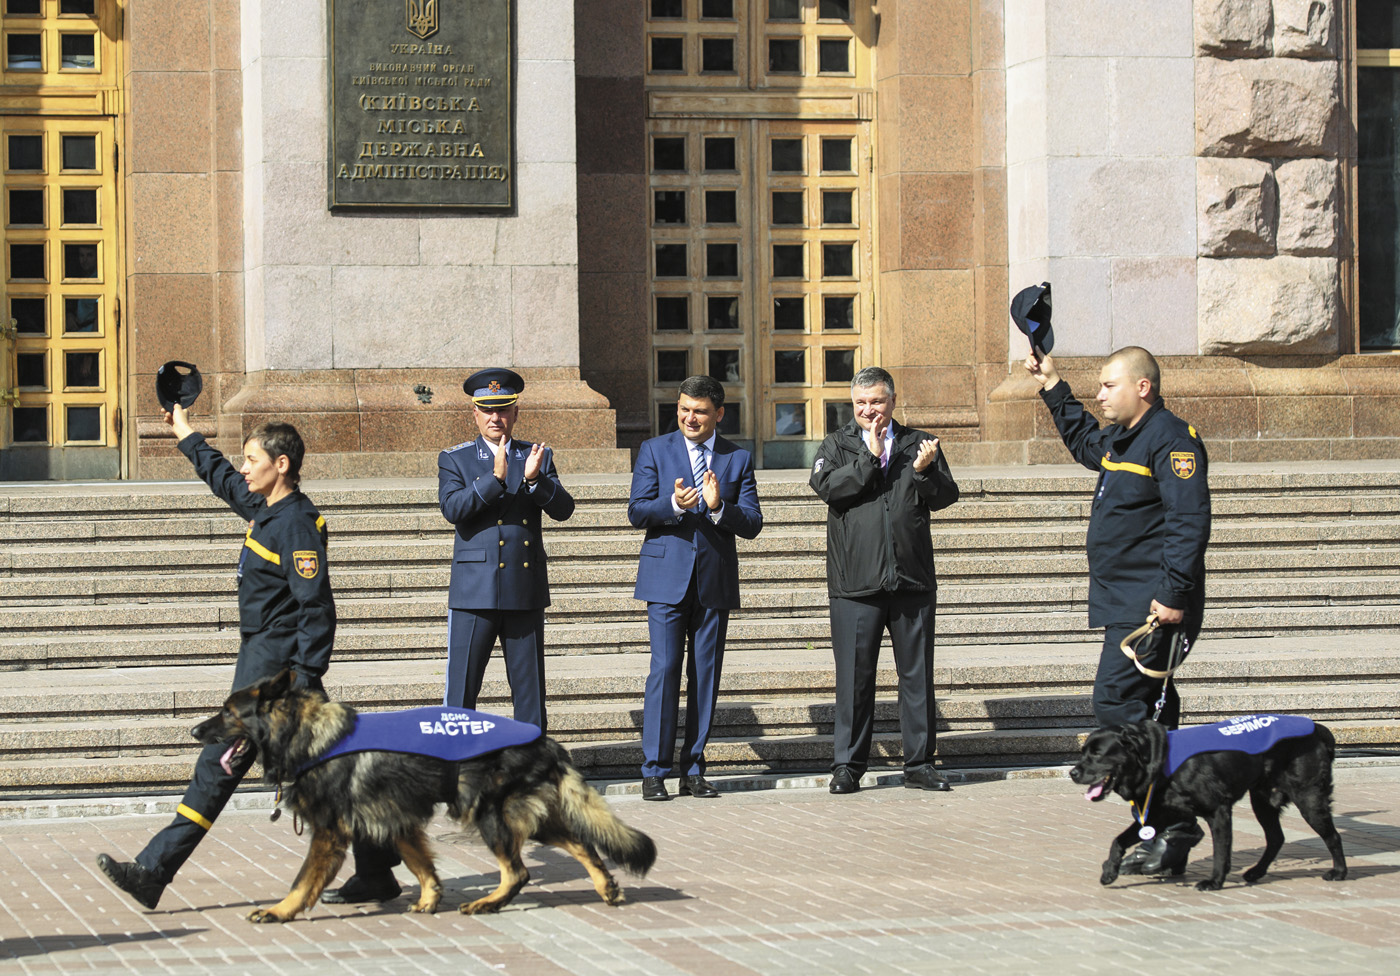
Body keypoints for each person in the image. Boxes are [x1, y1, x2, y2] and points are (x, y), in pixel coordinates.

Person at [323, 366, 575, 905]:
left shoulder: (538, 452)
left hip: (525, 594)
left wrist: (534, 480)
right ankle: (448, 783)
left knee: (530, 703)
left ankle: (533, 787)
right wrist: (496, 477)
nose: (496, 418)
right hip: (475, 594)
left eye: (504, 410)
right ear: (474, 413)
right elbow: (454, 511)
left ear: (515, 411)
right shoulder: (456, 458)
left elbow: (564, 508)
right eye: (487, 411)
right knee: (459, 699)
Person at [97, 407, 335, 910]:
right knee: (333, 769)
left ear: (282, 464)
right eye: (245, 461)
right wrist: (184, 431)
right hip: (261, 659)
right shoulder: (265, 508)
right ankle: (380, 867)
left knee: (219, 766)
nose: (244, 469)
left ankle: (153, 870)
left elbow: (316, 608)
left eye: (253, 460)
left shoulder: (295, 527)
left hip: (274, 675)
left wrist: (306, 680)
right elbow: (223, 479)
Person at [1024, 346, 1211, 731]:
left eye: (1109, 386)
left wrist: (1174, 594)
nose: (1100, 395)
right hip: (1125, 597)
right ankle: (1164, 788)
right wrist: (1052, 383)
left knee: (1116, 698)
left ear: (1142, 387)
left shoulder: (1172, 441)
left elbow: (1188, 520)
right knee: (1151, 701)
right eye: (1100, 386)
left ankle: (1144, 785)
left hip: (1148, 601)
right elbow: (1084, 441)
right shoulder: (1125, 437)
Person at [810, 367, 960, 795]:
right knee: (854, 679)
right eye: (860, 403)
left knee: (917, 676)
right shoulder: (838, 445)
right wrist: (869, 457)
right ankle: (848, 766)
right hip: (855, 583)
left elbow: (947, 496)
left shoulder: (919, 444)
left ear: (893, 400)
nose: (868, 410)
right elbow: (827, 487)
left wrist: (926, 472)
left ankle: (920, 763)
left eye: (876, 401)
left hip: (912, 580)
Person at [628, 375, 762, 801]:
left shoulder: (736, 458)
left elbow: (754, 522)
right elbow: (636, 510)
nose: (690, 417)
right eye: (684, 409)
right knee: (665, 670)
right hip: (666, 579)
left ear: (718, 414)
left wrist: (720, 507)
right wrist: (672, 506)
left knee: (705, 676)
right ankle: (654, 770)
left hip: (713, 581)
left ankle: (694, 768)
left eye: (700, 411)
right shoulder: (654, 449)